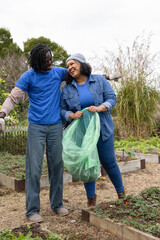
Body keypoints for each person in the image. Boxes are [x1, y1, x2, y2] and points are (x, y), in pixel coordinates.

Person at [0, 44, 69, 223]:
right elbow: (13, 97)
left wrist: (105, 77)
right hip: (36, 127)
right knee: (34, 168)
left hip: (55, 126)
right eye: (46, 62)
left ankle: (57, 204)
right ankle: (32, 210)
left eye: (51, 60)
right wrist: (2, 114)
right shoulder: (29, 76)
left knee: (57, 165)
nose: (50, 64)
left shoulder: (58, 73)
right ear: (37, 62)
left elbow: (78, 74)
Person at [60, 53, 125, 207]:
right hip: (83, 133)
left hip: (102, 128)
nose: (69, 67)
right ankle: (91, 200)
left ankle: (122, 195)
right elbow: (62, 109)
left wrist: (100, 107)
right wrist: (71, 115)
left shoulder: (100, 80)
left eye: (72, 64)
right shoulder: (67, 89)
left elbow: (111, 98)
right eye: (68, 66)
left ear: (82, 64)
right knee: (88, 165)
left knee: (109, 162)